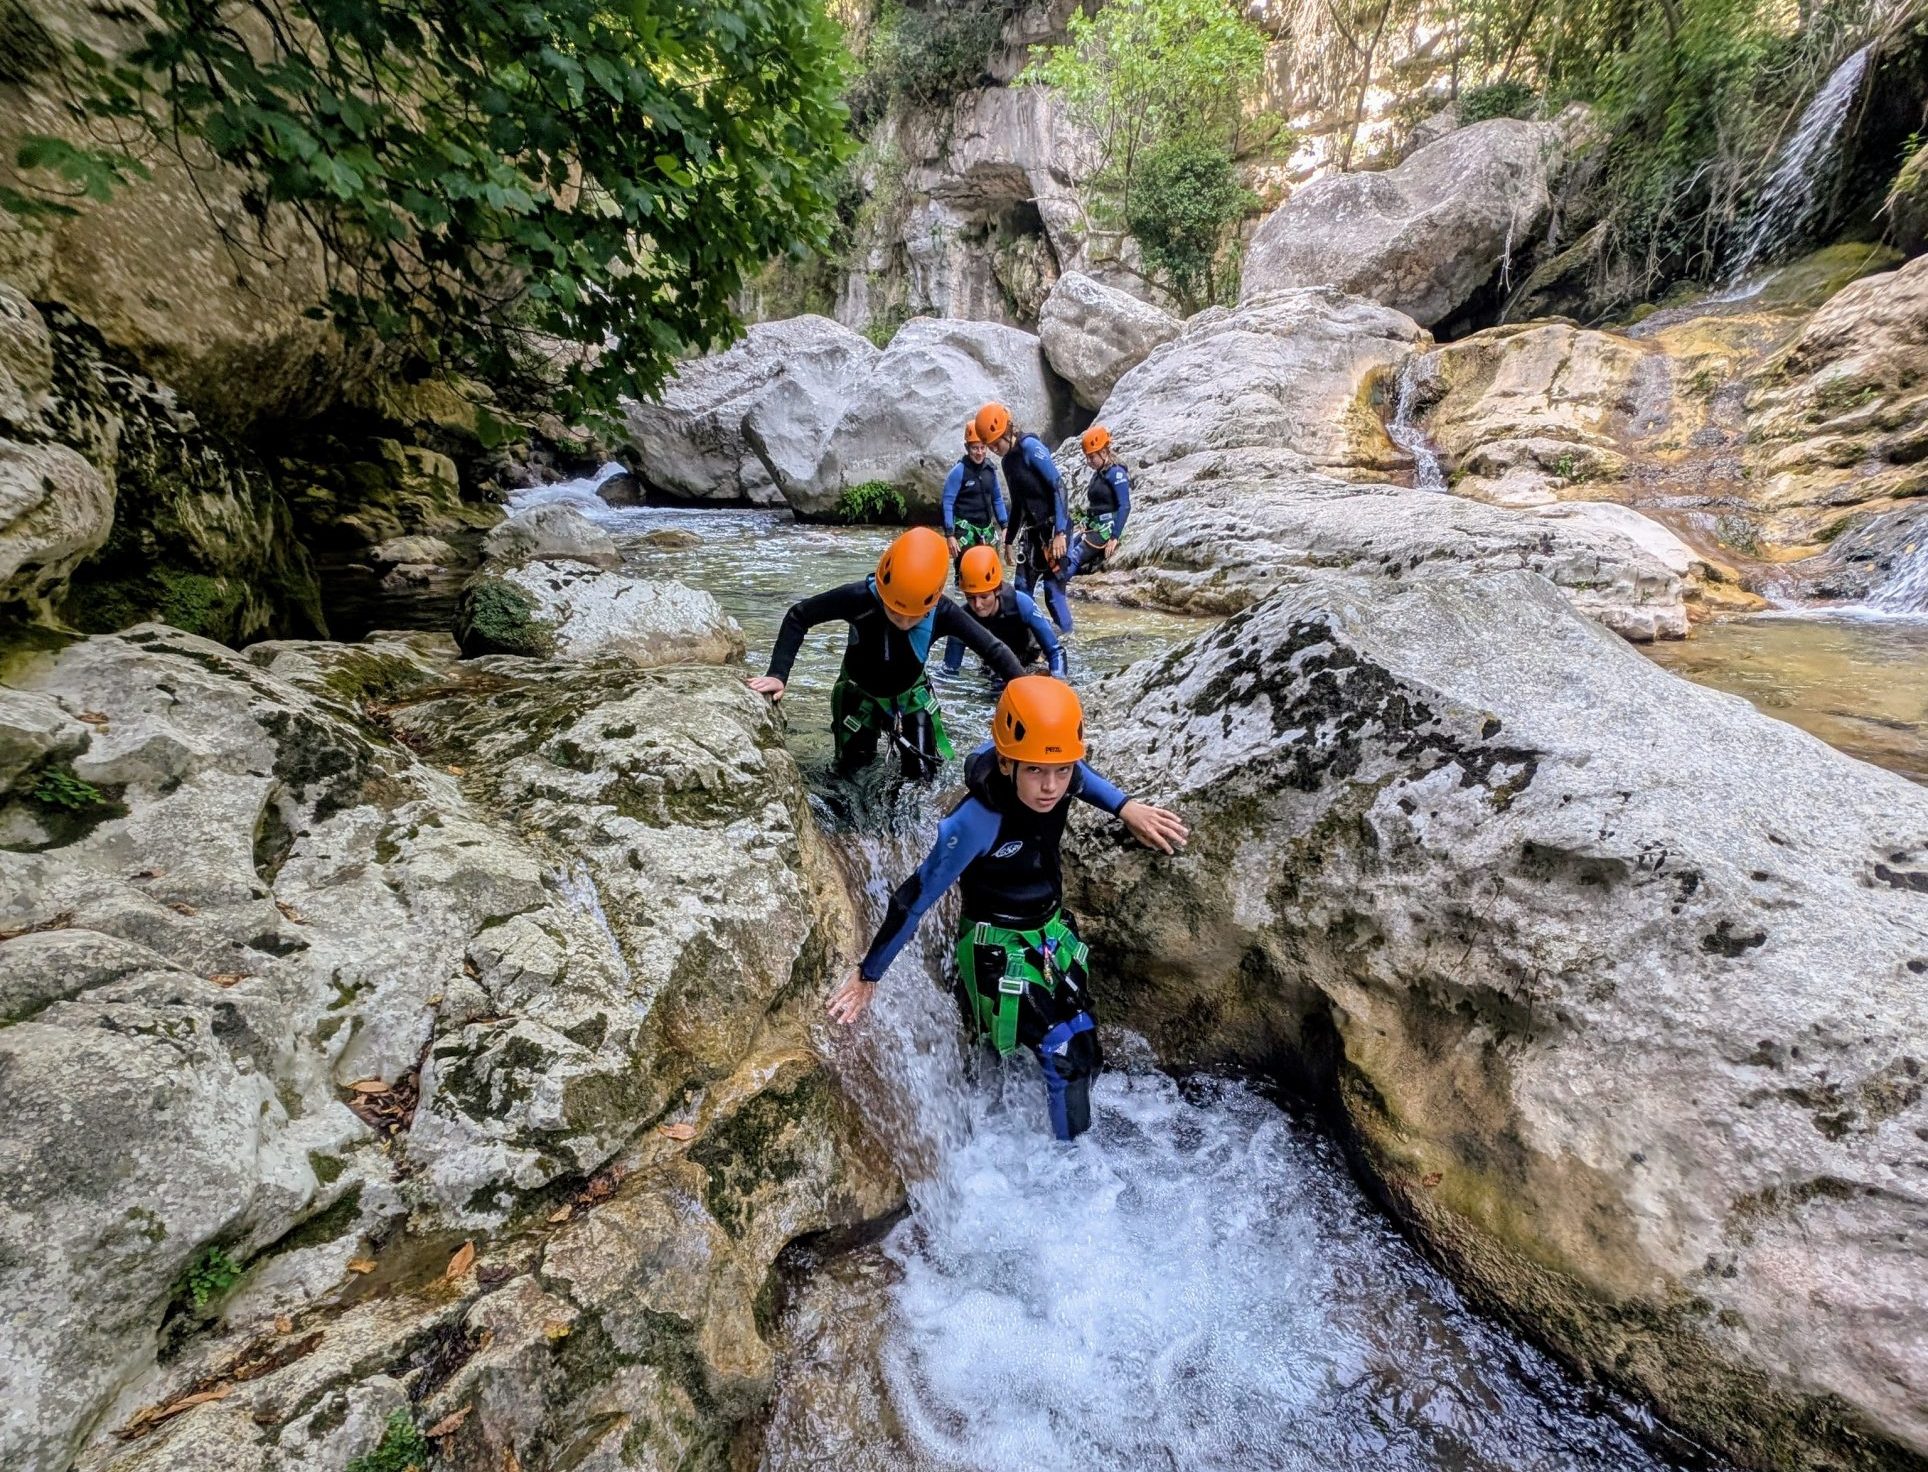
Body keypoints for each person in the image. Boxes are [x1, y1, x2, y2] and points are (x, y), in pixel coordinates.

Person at [825, 676, 1188, 1140]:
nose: (1051, 788)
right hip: (994, 948)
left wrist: (1125, 806)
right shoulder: (975, 820)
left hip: (1050, 932)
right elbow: (914, 898)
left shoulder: (1058, 770)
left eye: (1059, 772)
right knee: (1063, 1055)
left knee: (1089, 1051)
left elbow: (1082, 778)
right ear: (1006, 762)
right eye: (1036, 771)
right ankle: (1070, 1169)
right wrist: (867, 974)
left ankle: (1063, 1134)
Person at [748, 527, 1024, 781]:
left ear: (933, 600)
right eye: (894, 611)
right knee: (851, 777)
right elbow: (799, 616)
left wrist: (1027, 695)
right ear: (882, 588)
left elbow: (994, 650)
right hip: (859, 697)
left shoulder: (944, 611)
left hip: (912, 698)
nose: (902, 621)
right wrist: (778, 674)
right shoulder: (859, 597)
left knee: (922, 778)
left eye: (912, 616)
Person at [974, 402, 1074, 634]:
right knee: (1020, 590)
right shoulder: (1007, 462)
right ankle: (1027, 638)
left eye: (996, 443)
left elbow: (1058, 486)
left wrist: (1060, 532)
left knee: (1052, 592)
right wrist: (1008, 540)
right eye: (990, 446)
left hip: (1054, 531)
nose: (994, 449)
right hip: (1033, 533)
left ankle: (1068, 639)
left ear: (1007, 431)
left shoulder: (1030, 447)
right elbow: (1018, 503)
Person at [941, 544, 1065, 682]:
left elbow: (1056, 651)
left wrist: (1058, 680)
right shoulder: (961, 620)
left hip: (1033, 659)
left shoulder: (1022, 604)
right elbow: (949, 671)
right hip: (996, 666)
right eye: (970, 597)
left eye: (984, 597)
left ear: (997, 590)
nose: (978, 605)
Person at [1060, 424, 1131, 582]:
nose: (1088, 461)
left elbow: (1125, 506)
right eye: (1087, 457)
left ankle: (1058, 587)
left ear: (1104, 452)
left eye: (1092, 457)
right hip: (1093, 527)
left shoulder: (1116, 473)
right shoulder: (1100, 474)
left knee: (1075, 555)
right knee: (1065, 551)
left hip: (1106, 529)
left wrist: (1114, 537)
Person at [942, 420, 1007, 576]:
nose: (979, 452)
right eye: (974, 448)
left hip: (987, 530)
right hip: (965, 531)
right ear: (967, 448)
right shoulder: (958, 472)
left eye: (982, 447)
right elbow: (947, 503)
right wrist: (950, 535)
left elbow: (997, 499)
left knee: (990, 572)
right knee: (964, 574)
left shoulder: (990, 470)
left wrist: (1005, 526)